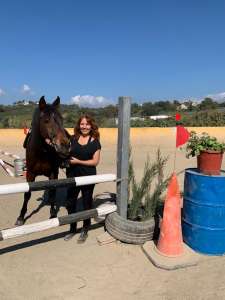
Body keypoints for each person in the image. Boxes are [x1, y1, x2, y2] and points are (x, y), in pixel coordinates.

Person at [64, 115, 101, 242]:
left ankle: (85, 228)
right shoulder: (73, 139)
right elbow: (64, 152)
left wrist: (79, 161)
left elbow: (95, 162)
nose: (84, 126)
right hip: (72, 176)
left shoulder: (95, 141)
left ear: (91, 126)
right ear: (78, 125)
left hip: (88, 176)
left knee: (86, 203)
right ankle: (72, 228)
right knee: (70, 203)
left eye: (87, 124)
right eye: (82, 124)